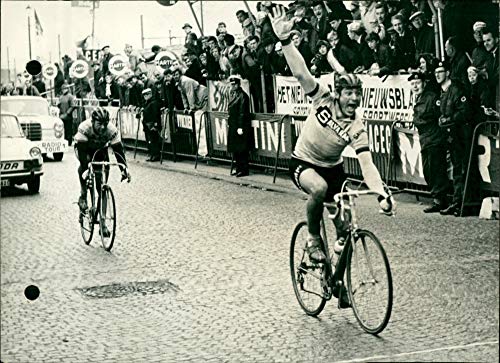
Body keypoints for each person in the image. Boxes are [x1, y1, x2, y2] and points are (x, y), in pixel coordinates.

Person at [268, 6, 394, 268]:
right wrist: (284, 41)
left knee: (346, 228)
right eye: (349, 93)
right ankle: (313, 238)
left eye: (357, 94)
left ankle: (337, 280)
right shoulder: (322, 96)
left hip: (333, 170)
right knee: (319, 189)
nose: (354, 99)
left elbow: (367, 165)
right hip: (304, 163)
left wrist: (381, 192)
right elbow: (301, 72)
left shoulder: (356, 126)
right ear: (338, 93)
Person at [74, 107, 131, 236]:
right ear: (93, 121)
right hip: (85, 149)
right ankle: (83, 196)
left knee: (102, 187)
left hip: (100, 150)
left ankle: (103, 224)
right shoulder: (85, 128)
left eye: (105, 124)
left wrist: (124, 169)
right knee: (85, 168)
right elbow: (82, 155)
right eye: (100, 124)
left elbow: (118, 151)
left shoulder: (111, 130)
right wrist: (86, 168)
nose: (103, 127)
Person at [434, 60, 472, 216]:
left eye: (441, 72)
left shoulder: (456, 90)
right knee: (456, 169)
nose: (437, 75)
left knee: (462, 169)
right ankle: (457, 202)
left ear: (448, 73)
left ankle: (461, 203)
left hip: (460, 135)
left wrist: (449, 119)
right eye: (435, 72)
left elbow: (465, 111)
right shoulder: (443, 91)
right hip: (450, 135)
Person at [409, 72, 450, 213]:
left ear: (424, 83)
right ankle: (438, 198)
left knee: (435, 169)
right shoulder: (420, 98)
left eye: (418, 83)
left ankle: (440, 200)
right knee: (429, 170)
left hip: (434, 138)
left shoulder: (431, 98)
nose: (415, 86)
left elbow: (438, 115)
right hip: (426, 139)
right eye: (413, 84)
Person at [227, 75, 252, 177]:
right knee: (236, 149)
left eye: (234, 84)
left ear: (238, 85)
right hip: (234, 125)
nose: (232, 86)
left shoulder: (243, 96)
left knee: (242, 149)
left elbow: (242, 112)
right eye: (231, 84)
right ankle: (238, 168)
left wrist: (240, 126)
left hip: (240, 125)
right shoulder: (234, 94)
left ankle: (244, 169)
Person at [141, 88, 162, 162]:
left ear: (150, 94)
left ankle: (156, 155)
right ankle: (152, 154)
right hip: (146, 124)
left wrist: (155, 125)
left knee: (153, 140)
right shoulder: (146, 103)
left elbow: (156, 115)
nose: (145, 96)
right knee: (149, 140)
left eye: (147, 94)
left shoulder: (153, 103)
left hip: (151, 124)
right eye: (144, 95)